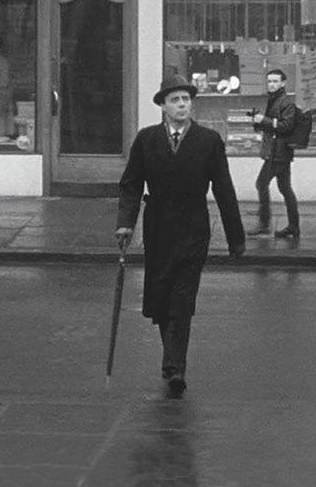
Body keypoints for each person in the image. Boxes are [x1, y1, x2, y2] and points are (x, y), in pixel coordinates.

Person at [115, 74, 246, 397]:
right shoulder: (146, 140)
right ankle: (171, 357)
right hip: (158, 228)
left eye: (186, 99)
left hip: (193, 230)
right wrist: (125, 223)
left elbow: (224, 189)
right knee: (160, 298)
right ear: (163, 106)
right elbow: (131, 185)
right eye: (175, 100)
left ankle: (176, 365)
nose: (182, 105)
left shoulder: (208, 141)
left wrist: (236, 238)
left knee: (182, 299)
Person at [247, 69, 300, 239]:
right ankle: (293, 226)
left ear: (283, 83)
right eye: (269, 81)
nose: (272, 84)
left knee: (261, 184)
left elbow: (286, 126)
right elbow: (272, 125)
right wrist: (258, 122)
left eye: (275, 81)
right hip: (277, 151)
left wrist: (263, 120)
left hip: (278, 153)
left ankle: (264, 224)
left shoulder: (286, 102)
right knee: (285, 188)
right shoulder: (275, 100)